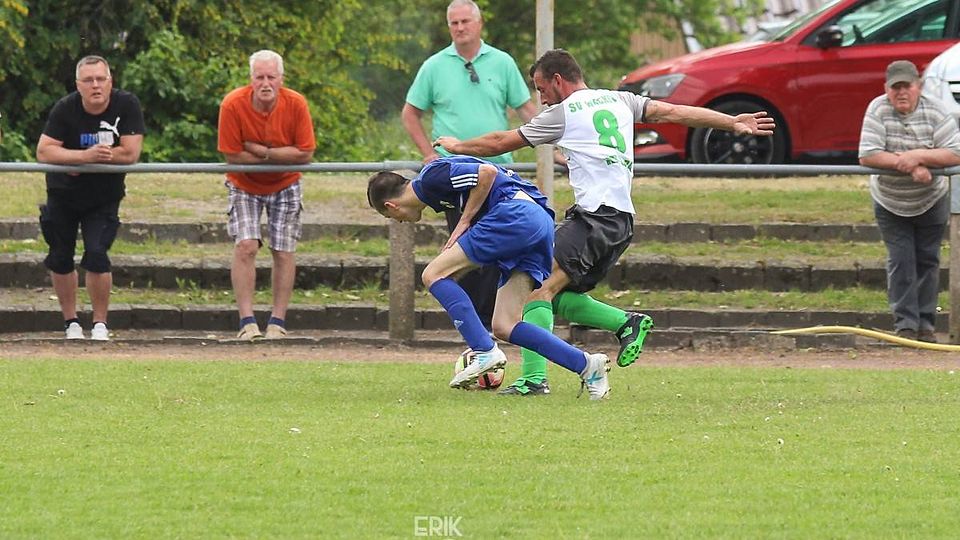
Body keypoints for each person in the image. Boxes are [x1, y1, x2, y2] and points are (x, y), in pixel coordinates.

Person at [436, 49, 775, 395]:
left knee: (535, 286)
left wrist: (457, 146)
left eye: (542, 89)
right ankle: (624, 323)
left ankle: (536, 379)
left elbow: (500, 142)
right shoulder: (621, 100)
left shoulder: (563, 113)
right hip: (620, 221)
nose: (542, 99)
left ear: (558, 80)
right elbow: (674, 112)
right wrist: (731, 121)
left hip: (595, 218)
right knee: (550, 292)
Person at [367, 155, 613, 400]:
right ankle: (587, 365)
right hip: (538, 223)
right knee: (505, 325)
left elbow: (486, 172)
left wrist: (464, 222)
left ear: (391, 206)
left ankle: (484, 351)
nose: (400, 221)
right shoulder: (437, 190)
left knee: (432, 274)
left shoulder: (430, 178)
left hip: (516, 215)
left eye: (392, 217)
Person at [402, 0, 538, 331]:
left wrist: (552, 144)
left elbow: (526, 109)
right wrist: (428, 154)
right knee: (463, 249)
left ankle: (494, 322)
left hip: (498, 174)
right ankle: (476, 326)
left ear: (479, 24)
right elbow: (410, 113)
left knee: (498, 251)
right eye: (454, 23)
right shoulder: (434, 66)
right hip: (457, 176)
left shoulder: (502, 62)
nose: (460, 28)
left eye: (465, 21)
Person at [36, 55, 145, 341]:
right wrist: (83, 157)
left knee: (97, 254)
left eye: (100, 79)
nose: (95, 85)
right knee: (60, 256)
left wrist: (92, 159)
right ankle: (71, 322)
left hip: (103, 196)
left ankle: (100, 324)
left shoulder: (127, 104)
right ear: (78, 85)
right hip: (63, 193)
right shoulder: (65, 108)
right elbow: (44, 151)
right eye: (88, 80)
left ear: (110, 81)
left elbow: (131, 153)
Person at [859, 60, 960, 343]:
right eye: (896, 88)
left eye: (907, 86)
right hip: (890, 201)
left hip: (931, 199)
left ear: (919, 87)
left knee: (928, 260)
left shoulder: (935, 110)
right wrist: (909, 165)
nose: (902, 92)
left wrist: (918, 156)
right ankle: (905, 325)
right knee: (901, 260)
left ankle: (926, 326)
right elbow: (868, 154)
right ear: (886, 89)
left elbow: (955, 152)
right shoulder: (877, 109)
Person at [217, 49, 316, 340]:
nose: (265, 83)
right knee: (246, 246)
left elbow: (306, 153)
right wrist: (283, 155)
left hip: (286, 183)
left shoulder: (296, 103)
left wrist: (262, 151)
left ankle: (277, 321)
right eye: (259, 77)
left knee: (283, 250)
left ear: (281, 79)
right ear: (251, 79)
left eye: (271, 77)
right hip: (243, 183)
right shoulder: (232, 104)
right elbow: (231, 155)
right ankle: (247, 322)